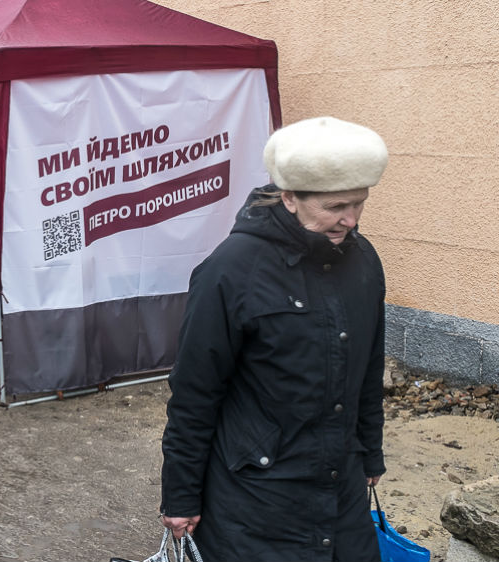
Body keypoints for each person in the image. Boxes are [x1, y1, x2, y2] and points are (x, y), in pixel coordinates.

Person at [159, 116, 389, 561]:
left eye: (360, 203)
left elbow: (369, 364)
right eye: (336, 206)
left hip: (341, 484)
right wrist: (181, 495)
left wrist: (370, 451)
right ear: (289, 197)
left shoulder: (363, 260)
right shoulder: (230, 271)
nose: (351, 219)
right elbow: (195, 392)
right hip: (256, 495)